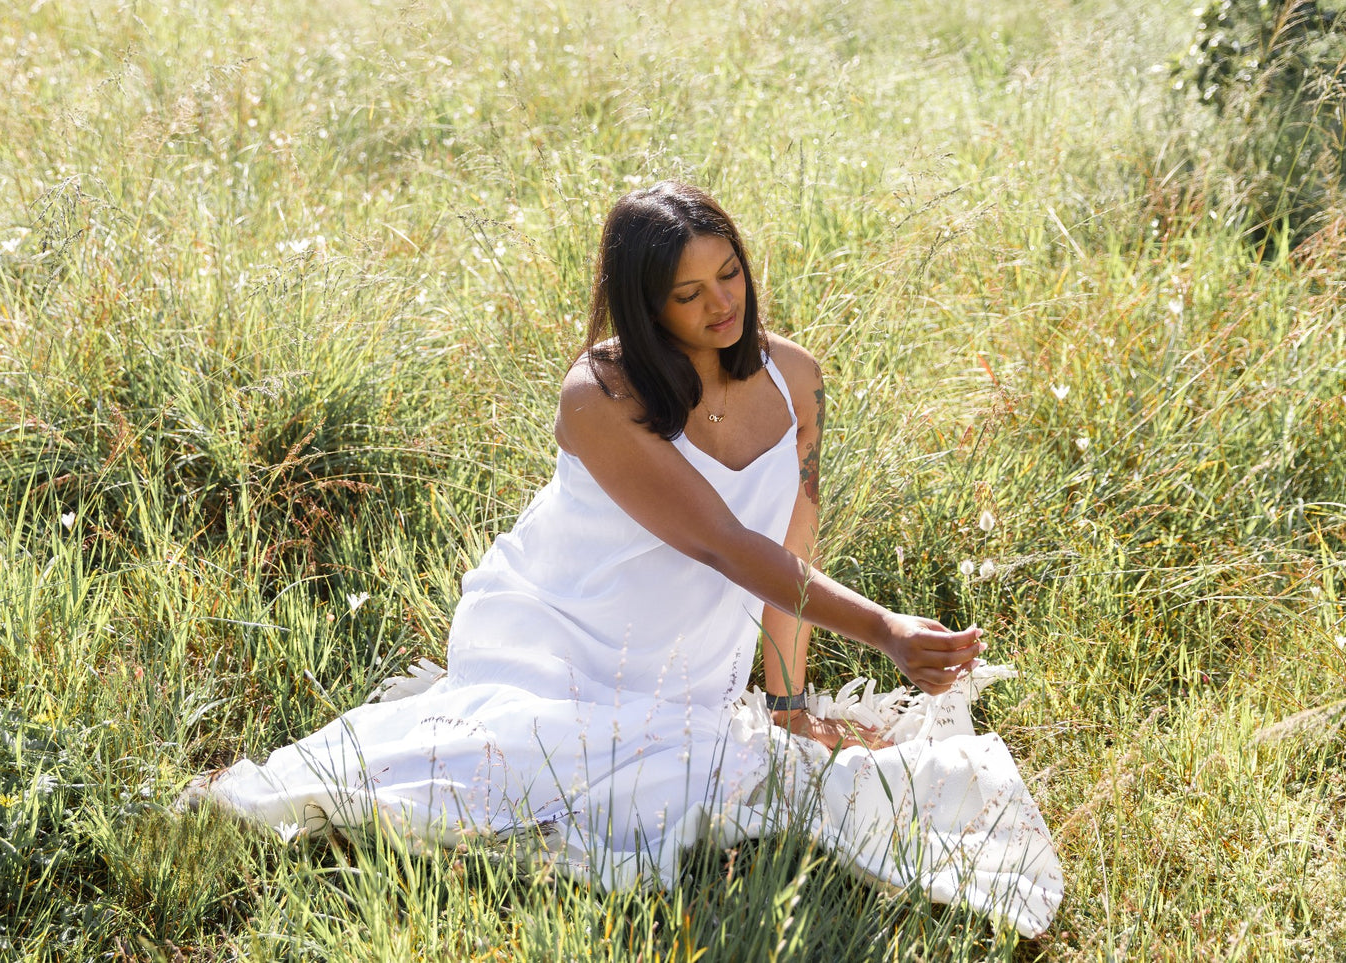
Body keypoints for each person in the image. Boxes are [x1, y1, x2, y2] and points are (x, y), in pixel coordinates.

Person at [180, 182, 1062, 937]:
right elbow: (724, 543)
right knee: (523, 778)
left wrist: (789, 701)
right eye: (689, 293)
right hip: (562, 630)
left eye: (730, 273)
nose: (724, 304)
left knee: (747, 780)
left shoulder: (796, 375)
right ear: (645, 307)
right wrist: (885, 630)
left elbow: (789, 547)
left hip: (684, 659)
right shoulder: (599, 395)